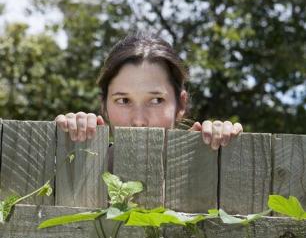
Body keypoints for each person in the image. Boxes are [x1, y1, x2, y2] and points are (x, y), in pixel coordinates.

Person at [55, 32, 243, 150]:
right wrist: (58, 144)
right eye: (123, 100)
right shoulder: (76, 161)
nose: (139, 121)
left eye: (156, 100)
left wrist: (223, 153)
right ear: (103, 105)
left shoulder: (208, 167)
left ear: (181, 104)